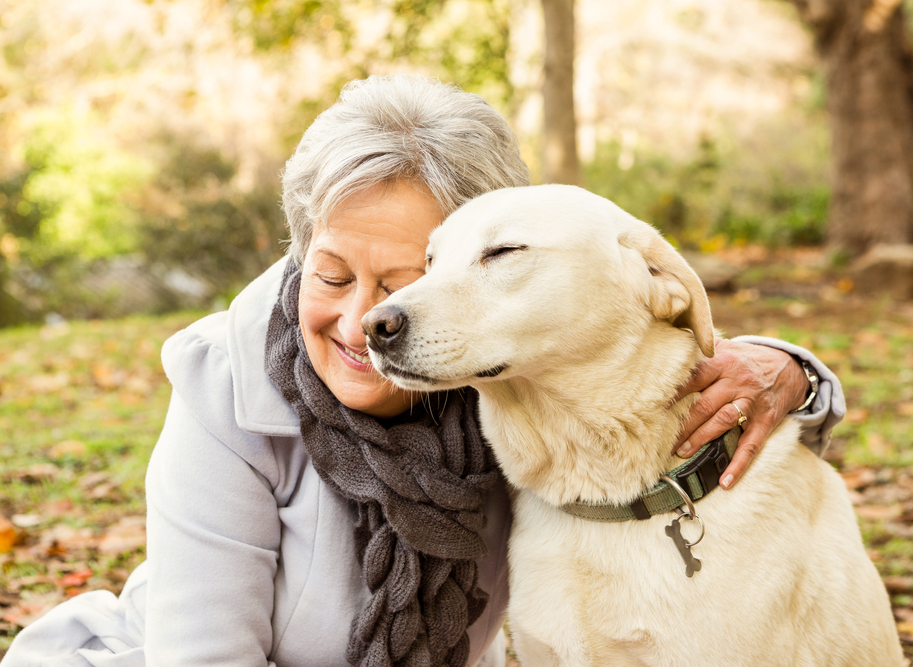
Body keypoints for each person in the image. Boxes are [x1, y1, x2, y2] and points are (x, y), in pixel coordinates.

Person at [1, 74, 844, 667]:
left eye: (403, 283)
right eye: (330, 275)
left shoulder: (504, 386)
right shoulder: (227, 389)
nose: (367, 317)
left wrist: (795, 371)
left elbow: (627, 366)